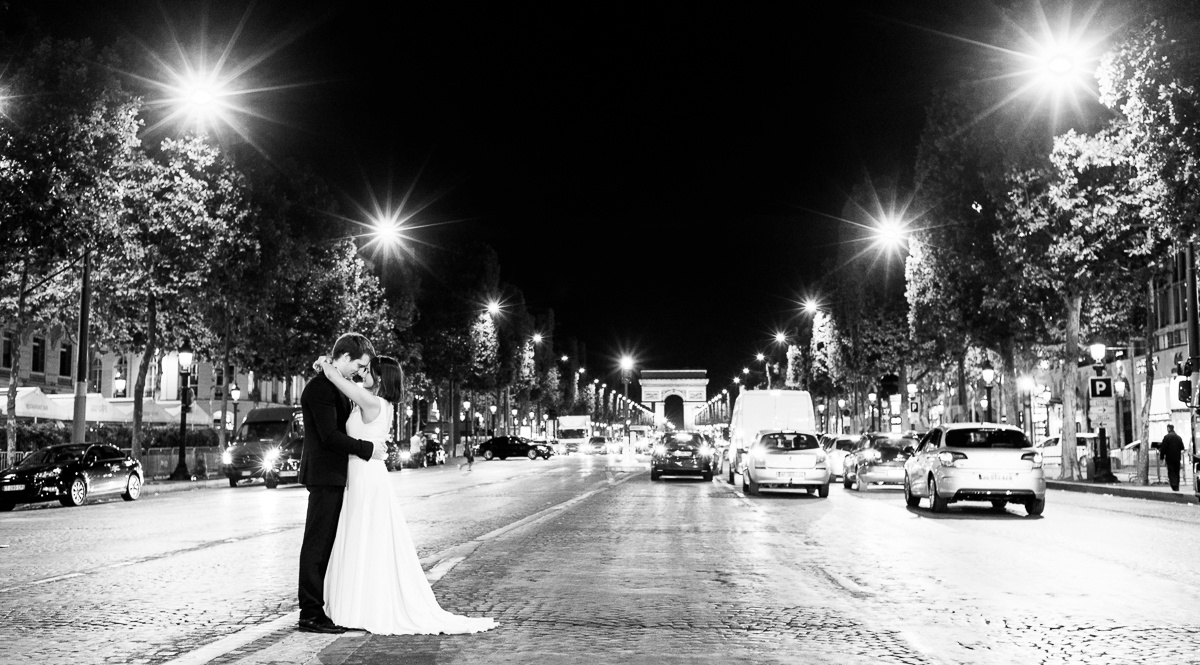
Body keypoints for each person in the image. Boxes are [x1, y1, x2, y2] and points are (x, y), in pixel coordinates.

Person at [318, 354, 497, 635]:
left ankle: (358, 605)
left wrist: (324, 362)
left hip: (365, 474)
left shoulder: (372, 402)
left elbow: (334, 378)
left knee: (361, 535)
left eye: (369, 370)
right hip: (363, 472)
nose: (363, 372)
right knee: (363, 537)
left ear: (381, 377)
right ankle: (360, 604)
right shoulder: (376, 401)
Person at [297, 333, 387, 634]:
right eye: (359, 365)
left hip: (333, 475)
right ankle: (310, 612)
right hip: (325, 475)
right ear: (345, 357)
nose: (360, 373)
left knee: (324, 545)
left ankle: (317, 608)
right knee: (317, 545)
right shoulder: (321, 389)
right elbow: (329, 437)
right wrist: (368, 449)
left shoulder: (331, 383)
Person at [1160, 424, 1186, 492]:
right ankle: (1177, 486)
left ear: (1168, 429)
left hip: (1169, 458)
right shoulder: (1178, 437)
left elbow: (1163, 448)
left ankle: (1173, 485)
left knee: (1171, 471)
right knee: (1177, 471)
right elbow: (1182, 447)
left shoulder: (1166, 437)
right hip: (1177, 458)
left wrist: (1161, 457)